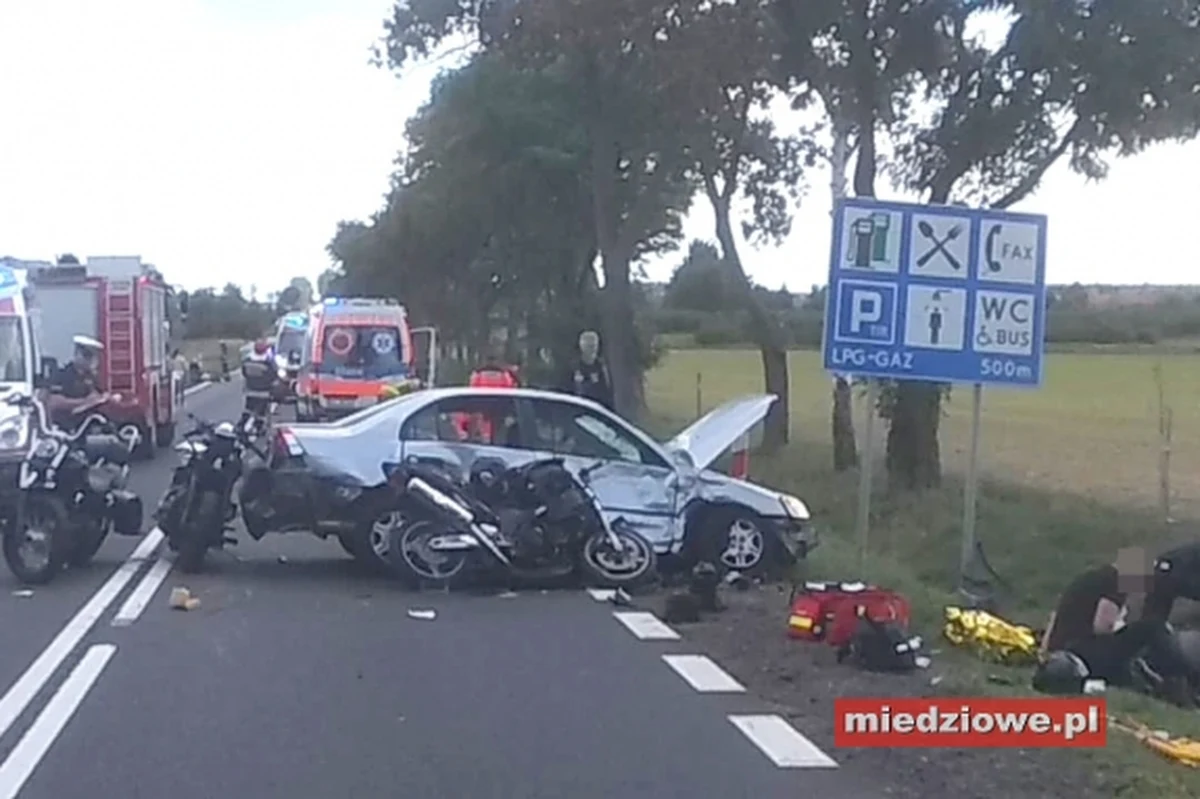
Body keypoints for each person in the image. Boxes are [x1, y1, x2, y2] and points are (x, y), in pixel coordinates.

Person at [1039, 547, 1193, 706]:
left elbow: (1054, 616)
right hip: (1085, 650)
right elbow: (1102, 626)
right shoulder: (1114, 581)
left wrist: (1046, 650)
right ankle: (1180, 681)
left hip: (1062, 652)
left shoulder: (1090, 577)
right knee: (1152, 627)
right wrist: (1124, 628)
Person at [45, 336, 112, 430]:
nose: (92, 360)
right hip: (66, 429)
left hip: (88, 428)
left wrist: (106, 398)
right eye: (87, 355)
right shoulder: (63, 375)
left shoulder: (92, 378)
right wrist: (84, 402)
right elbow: (54, 402)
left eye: (95, 356)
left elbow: (98, 395)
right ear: (77, 355)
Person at [565, 330, 613, 410]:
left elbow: (607, 392)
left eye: (594, 345)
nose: (593, 349)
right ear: (582, 346)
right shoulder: (574, 366)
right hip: (578, 407)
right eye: (589, 346)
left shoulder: (601, 367)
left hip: (597, 409)